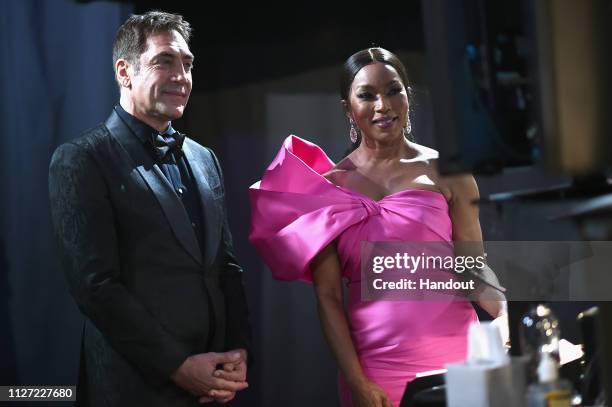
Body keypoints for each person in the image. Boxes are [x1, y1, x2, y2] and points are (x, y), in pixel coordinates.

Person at [249, 47, 507, 407]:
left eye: (392, 90)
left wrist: (504, 312)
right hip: (376, 371)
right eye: (367, 95)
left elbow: (471, 266)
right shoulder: (327, 187)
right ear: (348, 109)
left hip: (459, 359)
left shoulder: (450, 171)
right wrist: (357, 381)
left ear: (407, 96)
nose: (382, 104)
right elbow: (328, 297)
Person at [49, 11, 250, 406]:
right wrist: (177, 365)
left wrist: (240, 353)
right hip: (133, 388)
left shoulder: (204, 158)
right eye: (165, 61)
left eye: (187, 64)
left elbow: (226, 267)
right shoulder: (81, 159)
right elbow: (96, 287)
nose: (181, 76)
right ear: (125, 72)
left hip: (215, 387)